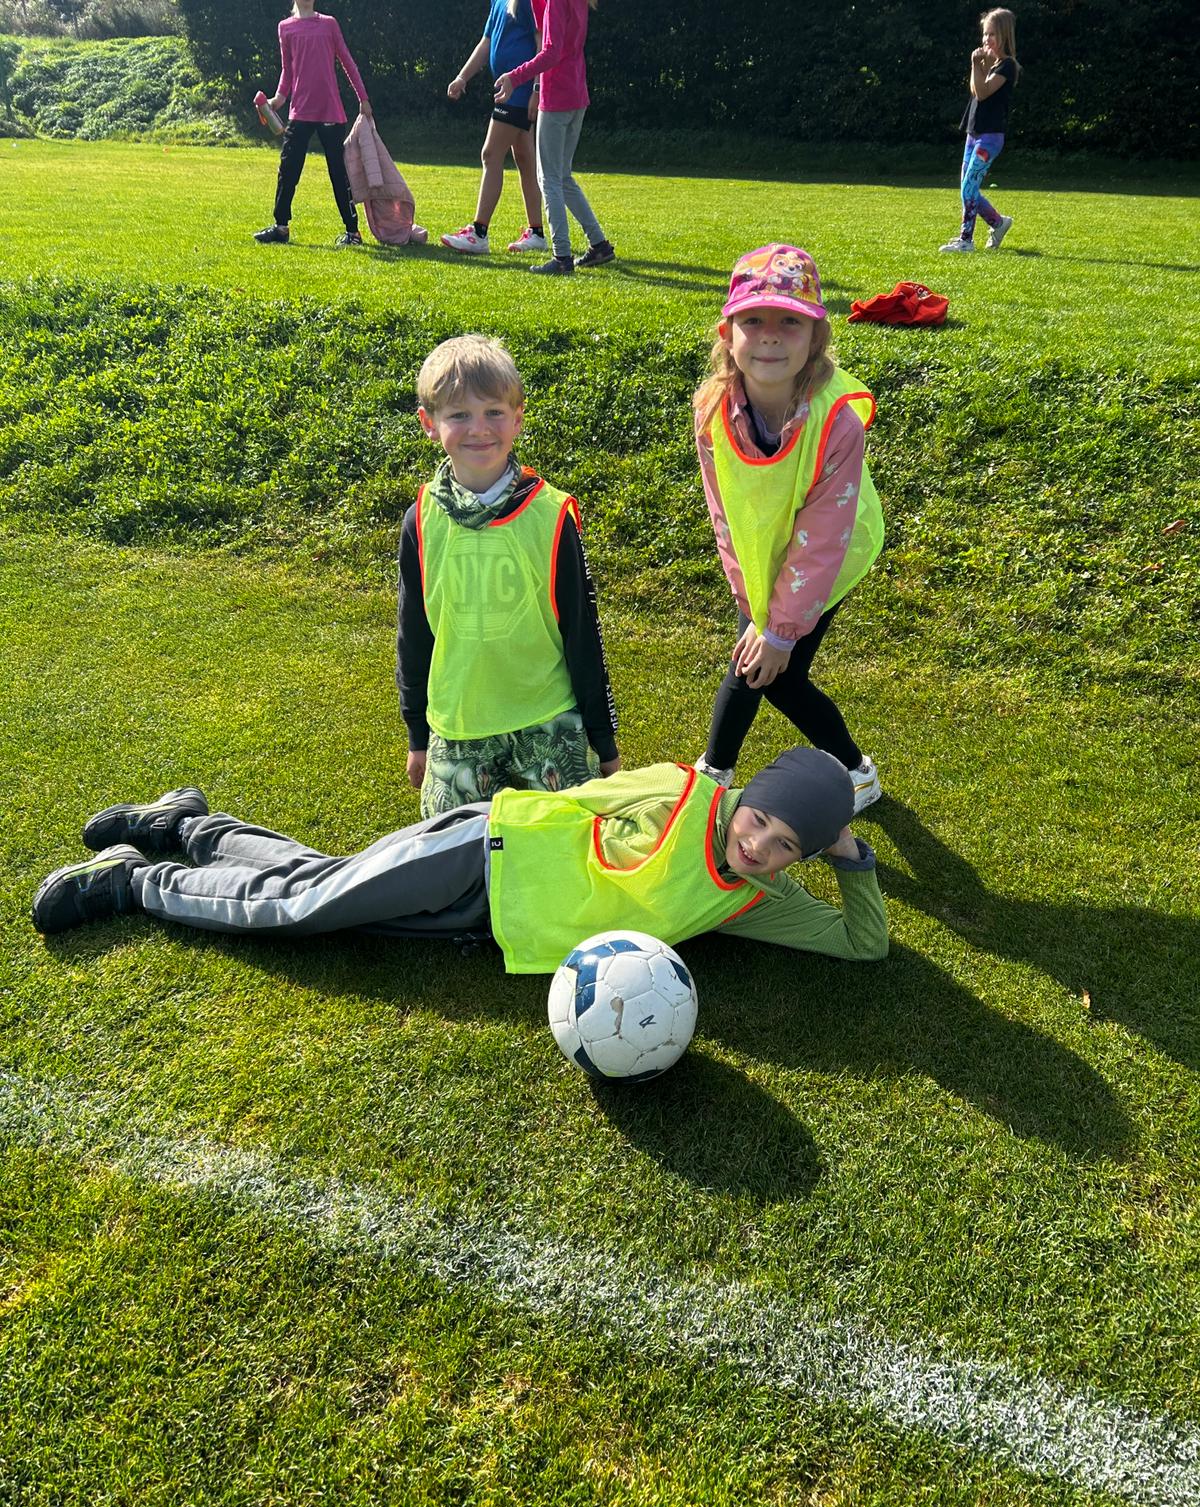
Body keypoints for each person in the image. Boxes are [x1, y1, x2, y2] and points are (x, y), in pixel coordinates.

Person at [30, 750, 889, 976]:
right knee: (305, 908)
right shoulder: (681, 794)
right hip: (480, 850)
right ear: (747, 797)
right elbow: (569, 802)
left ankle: (190, 826)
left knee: (317, 883)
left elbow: (863, 944)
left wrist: (846, 852)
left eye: (787, 846)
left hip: (484, 925)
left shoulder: (752, 897)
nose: (759, 846)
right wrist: (480, 831)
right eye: (761, 821)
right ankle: (135, 883)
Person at [692, 244, 885, 816]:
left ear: (816, 338)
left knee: (775, 672)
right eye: (753, 320)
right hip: (765, 551)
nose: (770, 338)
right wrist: (751, 603)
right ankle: (714, 775)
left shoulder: (838, 423)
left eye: (790, 323)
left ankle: (856, 771)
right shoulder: (711, 410)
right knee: (752, 657)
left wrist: (778, 631)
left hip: (833, 555)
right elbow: (724, 514)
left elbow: (823, 537)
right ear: (728, 334)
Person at [399, 335, 620, 816]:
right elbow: (414, 634)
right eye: (459, 414)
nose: (479, 429)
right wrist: (418, 734)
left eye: (494, 412)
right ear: (429, 424)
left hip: (548, 719)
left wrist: (603, 742)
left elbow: (583, 632)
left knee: (570, 840)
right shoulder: (420, 518)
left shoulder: (552, 514)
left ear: (518, 418)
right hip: (459, 724)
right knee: (456, 851)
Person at [493, 0, 614, 276]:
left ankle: (561, 256)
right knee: (562, 177)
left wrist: (514, 77)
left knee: (548, 179)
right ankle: (599, 245)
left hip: (558, 97)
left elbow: (551, 52)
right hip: (576, 94)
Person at [253, 1, 372, 248]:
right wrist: (277, 100)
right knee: (288, 170)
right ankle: (281, 227)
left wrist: (363, 99)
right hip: (300, 112)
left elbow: (348, 62)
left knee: (338, 173)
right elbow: (288, 71)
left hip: (331, 111)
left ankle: (353, 233)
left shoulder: (329, 24)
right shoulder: (285, 27)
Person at [441, 0, 548, 257]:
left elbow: (541, 43)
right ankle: (536, 233)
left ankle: (479, 233)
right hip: (508, 91)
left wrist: (536, 90)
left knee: (490, 154)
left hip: (519, 90)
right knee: (525, 159)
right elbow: (486, 41)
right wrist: (462, 77)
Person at [939, 8, 1020, 254]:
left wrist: (977, 64)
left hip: (990, 137)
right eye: (985, 34)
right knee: (967, 187)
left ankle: (966, 240)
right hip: (974, 133)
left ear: (1004, 35)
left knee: (969, 188)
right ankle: (998, 223)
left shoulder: (1007, 66)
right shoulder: (991, 64)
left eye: (992, 34)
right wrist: (980, 65)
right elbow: (976, 90)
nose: (986, 39)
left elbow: (984, 93)